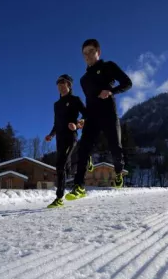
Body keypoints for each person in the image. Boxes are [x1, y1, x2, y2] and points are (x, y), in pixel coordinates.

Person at [65, 38, 132, 200]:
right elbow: (90, 101)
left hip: (109, 113)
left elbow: (127, 83)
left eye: (91, 51)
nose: (87, 55)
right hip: (92, 116)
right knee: (83, 150)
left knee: (116, 147)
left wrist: (111, 92)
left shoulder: (109, 67)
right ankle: (79, 186)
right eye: (84, 53)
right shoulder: (83, 80)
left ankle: (118, 173)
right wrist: (83, 118)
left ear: (98, 52)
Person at [45, 74, 86, 208]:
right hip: (59, 139)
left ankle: (59, 197)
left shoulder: (75, 100)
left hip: (70, 136)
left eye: (63, 84)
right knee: (62, 166)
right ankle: (86, 159)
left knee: (61, 164)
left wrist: (78, 123)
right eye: (58, 84)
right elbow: (56, 123)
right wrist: (51, 135)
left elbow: (86, 115)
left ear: (69, 85)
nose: (61, 86)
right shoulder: (56, 105)